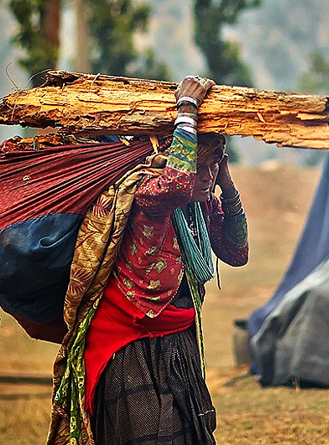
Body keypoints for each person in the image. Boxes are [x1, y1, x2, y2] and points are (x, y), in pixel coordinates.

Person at [81, 75, 249, 445]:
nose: (205, 176)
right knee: (143, 436)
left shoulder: (202, 204)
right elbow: (175, 184)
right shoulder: (150, 191)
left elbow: (237, 254)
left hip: (177, 336)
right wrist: (186, 111)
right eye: (199, 166)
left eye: (213, 166)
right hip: (131, 342)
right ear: (179, 160)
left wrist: (227, 182)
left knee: (188, 433)